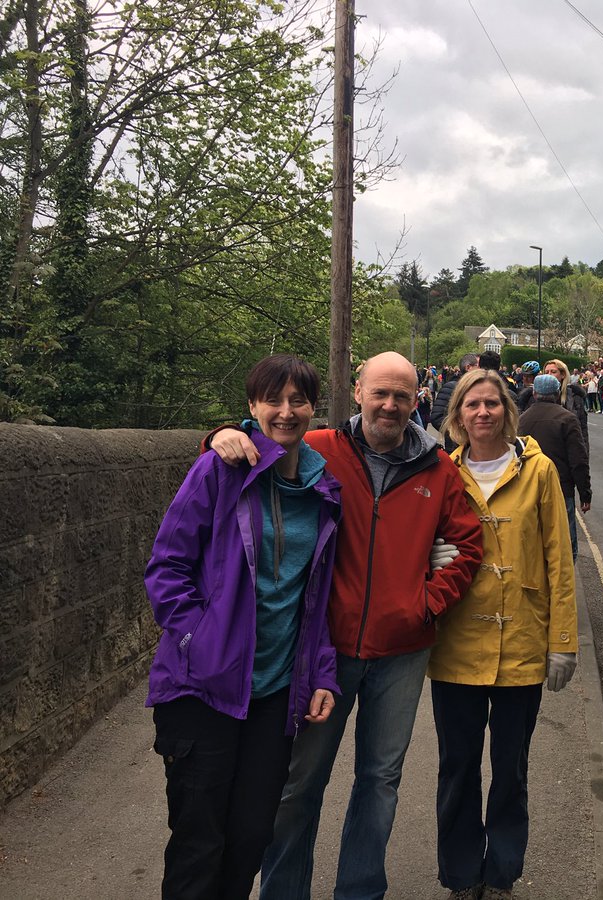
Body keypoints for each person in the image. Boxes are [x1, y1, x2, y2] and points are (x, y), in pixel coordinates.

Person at [208, 352, 484, 900]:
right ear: (357, 391)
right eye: (380, 392)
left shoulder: (438, 469)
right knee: (298, 785)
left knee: (379, 782)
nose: (390, 405)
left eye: (402, 396)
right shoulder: (319, 450)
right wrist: (221, 434)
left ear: (416, 401)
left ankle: (359, 891)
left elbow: (469, 545)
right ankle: (284, 891)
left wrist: (426, 603)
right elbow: (253, 453)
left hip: (403, 649)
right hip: (323, 649)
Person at [145, 355, 341, 899]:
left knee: (252, 835)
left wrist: (322, 673)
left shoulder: (324, 491)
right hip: (202, 689)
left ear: (312, 407)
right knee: (198, 840)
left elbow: (315, 598)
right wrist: (200, 642)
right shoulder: (220, 469)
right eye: (272, 400)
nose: (285, 411)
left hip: (274, 696)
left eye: (297, 399)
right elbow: (166, 568)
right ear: (252, 407)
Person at [433, 368, 578, 900]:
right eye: (472, 405)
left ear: (507, 410)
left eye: (492, 403)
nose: (482, 413)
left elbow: (560, 560)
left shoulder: (539, 471)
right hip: (456, 648)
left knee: (510, 771)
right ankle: (461, 872)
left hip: (521, 642)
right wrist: (428, 561)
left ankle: (501, 874)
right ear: (457, 416)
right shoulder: (442, 471)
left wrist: (563, 641)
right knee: (456, 770)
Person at [518, 373, 591, 560]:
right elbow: (578, 459)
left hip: (528, 487)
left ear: (534, 393)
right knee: (564, 543)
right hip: (561, 488)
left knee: (534, 541)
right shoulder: (568, 418)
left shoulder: (522, 420)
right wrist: (585, 493)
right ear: (558, 393)